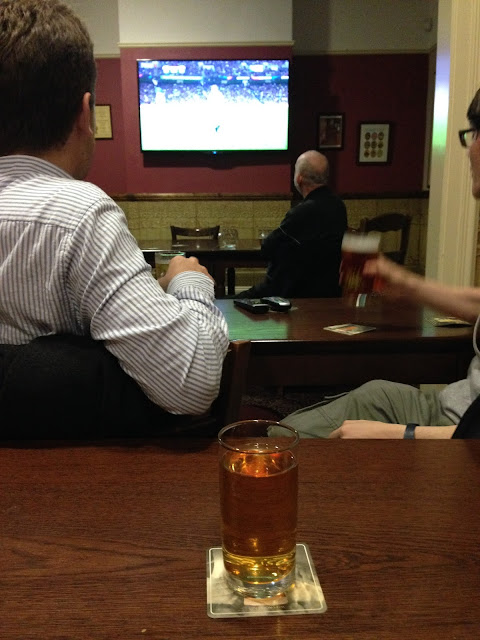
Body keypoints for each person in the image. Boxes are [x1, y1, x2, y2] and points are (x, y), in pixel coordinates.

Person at [0, 0, 229, 422]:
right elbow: (192, 384)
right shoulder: (79, 215)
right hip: (72, 455)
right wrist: (191, 281)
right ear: (85, 113)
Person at [281, 87, 480, 440]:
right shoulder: (335, 204)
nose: (468, 148)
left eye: (474, 133)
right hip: (449, 407)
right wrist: (403, 281)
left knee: (281, 445)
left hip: (455, 433)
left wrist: (400, 434)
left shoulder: (305, 209)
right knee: (292, 427)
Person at [233, 150, 347, 298]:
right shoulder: (338, 206)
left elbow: (268, 247)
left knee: (233, 301)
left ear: (299, 178)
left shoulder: (303, 212)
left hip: (293, 293)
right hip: (329, 291)